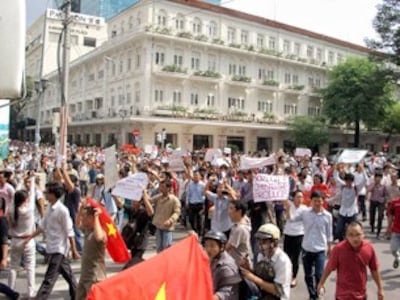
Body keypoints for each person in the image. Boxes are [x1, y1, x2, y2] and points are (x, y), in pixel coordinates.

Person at [24, 181, 80, 300]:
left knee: (49, 279)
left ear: (54, 194)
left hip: (59, 248)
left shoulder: (62, 210)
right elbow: (42, 226)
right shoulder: (49, 207)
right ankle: (78, 295)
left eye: (47, 192)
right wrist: (30, 237)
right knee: (68, 275)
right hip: (51, 247)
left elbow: (69, 231)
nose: (45, 194)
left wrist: (74, 250)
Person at [317, 221, 384, 300]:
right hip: (342, 296)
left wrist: (380, 288)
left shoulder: (368, 248)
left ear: (363, 234)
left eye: (358, 234)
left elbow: (374, 269)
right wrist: (321, 283)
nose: (354, 238)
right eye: (351, 235)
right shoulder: (338, 249)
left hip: (361, 295)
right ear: (346, 236)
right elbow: (329, 267)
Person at [285, 191, 333, 300]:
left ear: (323, 201)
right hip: (306, 248)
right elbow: (291, 219)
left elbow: (330, 233)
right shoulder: (305, 213)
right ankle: (312, 295)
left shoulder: (328, 216)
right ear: (311, 201)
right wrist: (287, 208)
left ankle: (318, 291)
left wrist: (330, 247)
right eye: (315, 201)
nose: (317, 203)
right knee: (308, 275)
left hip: (320, 249)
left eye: (319, 201)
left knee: (319, 274)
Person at [240, 223, 292, 300]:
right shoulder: (261, 255)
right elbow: (261, 278)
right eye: (259, 240)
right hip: (263, 294)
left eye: (264, 241)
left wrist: (253, 278)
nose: (260, 244)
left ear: (274, 242)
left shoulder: (283, 261)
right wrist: (249, 269)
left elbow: (278, 290)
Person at [75, 202, 107, 300]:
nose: (83, 219)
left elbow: (99, 238)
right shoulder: (87, 230)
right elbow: (77, 224)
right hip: (85, 275)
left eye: (86, 217)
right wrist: (80, 210)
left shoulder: (101, 232)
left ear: (92, 218)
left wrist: (97, 217)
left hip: (95, 276)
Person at [8, 190, 36, 298]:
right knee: (30, 267)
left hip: (15, 240)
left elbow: (14, 197)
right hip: (27, 240)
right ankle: (31, 291)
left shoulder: (11, 209)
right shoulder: (29, 210)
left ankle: (11, 290)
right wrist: (32, 180)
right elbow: (32, 195)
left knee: (13, 267)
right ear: (25, 200)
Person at [118, 189, 153, 269]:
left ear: (140, 202)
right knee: (136, 263)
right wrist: (113, 194)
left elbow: (151, 212)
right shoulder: (133, 210)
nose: (133, 202)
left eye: (135, 200)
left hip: (140, 242)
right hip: (133, 242)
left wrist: (144, 197)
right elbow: (120, 204)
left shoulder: (144, 212)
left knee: (133, 263)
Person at [203, 230, 242, 300]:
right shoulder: (213, 258)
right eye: (206, 245)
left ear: (222, 247)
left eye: (212, 246)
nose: (208, 249)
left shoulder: (226, 267)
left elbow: (227, 292)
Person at [283, 190, 307, 288]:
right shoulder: (289, 205)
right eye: (298, 197)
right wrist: (288, 208)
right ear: (294, 198)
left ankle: (293, 277)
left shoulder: (305, 209)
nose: (300, 199)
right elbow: (288, 218)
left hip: (299, 234)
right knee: (287, 256)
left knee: (295, 257)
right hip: (288, 233)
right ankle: (286, 275)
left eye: (301, 197)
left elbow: (293, 219)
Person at [150, 179, 181, 252]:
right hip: (158, 225)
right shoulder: (158, 197)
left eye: (163, 187)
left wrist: (170, 220)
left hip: (167, 228)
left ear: (168, 188)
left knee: (166, 248)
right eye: (160, 187)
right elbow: (150, 200)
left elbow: (177, 212)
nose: (161, 189)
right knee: (159, 247)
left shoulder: (174, 200)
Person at [0, 198, 20, 300]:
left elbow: (4, 241)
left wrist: (4, 258)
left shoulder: (2, 221)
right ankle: (12, 294)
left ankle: (12, 294)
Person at [225, 200, 251, 266]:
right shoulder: (245, 220)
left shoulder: (239, 229)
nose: (229, 212)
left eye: (231, 209)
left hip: (238, 265)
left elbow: (229, 247)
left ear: (239, 212)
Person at [367, 172, 389, 239]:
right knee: (372, 216)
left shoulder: (383, 186)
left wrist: (385, 203)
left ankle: (378, 232)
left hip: (380, 202)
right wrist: (374, 185)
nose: (378, 179)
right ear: (374, 178)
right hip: (373, 201)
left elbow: (385, 195)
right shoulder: (372, 184)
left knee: (380, 216)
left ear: (381, 178)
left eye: (379, 177)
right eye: (376, 177)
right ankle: (372, 227)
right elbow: (368, 190)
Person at [186, 171, 205, 235]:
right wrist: (187, 202)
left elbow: (205, 194)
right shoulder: (190, 184)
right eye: (194, 175)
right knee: (191, 219)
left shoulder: (202, 184)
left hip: (200, 203)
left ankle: (199, 233)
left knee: (199, 219)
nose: (195, 177)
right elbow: (188, 194)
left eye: (197, 175)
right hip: (192, 203)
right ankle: (194, 230)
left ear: (200, 177)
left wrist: (203, 202)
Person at [386, 196, 400, 269]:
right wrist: (388, 227)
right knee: (393, 250)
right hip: (396, 231)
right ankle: (397, 257)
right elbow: (390, 215)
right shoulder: (395, 202)